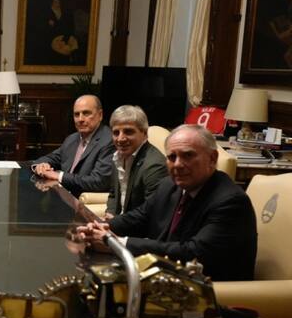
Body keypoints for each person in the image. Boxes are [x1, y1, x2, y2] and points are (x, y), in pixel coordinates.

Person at [77, 124, 257, 282]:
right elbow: (140, 217)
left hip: (212, 294)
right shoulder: (170, 185)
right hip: (168, 278)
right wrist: (97, 228)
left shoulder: (230, 202)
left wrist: (116, 242)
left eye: (188, 156)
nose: (178, 164)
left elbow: (192, 253)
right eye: (172, 157)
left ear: (212, 158)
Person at [31, 94, 114, 197]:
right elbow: (52, 157)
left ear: (100, 115)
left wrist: (59, 176)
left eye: (86, 113)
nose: (80, 119)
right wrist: (41, 165)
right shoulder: (72, 138)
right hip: (62, 198)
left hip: (85, 204)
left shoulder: (109, 140)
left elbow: (98, 182)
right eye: (76, 114)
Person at [104, 105, 168, 218]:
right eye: (116, 133)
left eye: (128, 132)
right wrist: (110, 214)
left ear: (144, 133)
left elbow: (151, 213)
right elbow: (113, 194)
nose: (120, 139)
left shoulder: (154, 166)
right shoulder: (117, 156)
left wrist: (116, 223)